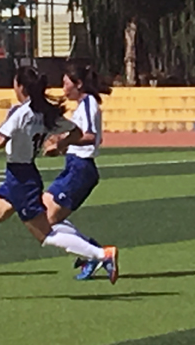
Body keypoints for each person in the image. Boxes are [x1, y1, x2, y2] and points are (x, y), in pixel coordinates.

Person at [0, 66, 119, 294]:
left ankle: (101, 254)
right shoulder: (47, 112)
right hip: (19, 176)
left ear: (21, 87)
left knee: (46, 235)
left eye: (15, 84)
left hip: (21, 179)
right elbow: (76, 132)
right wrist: (62, 143)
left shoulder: (22, 112)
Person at [45, 64, 112, 280]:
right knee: (41, 213)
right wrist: (58, 142)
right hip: (73, 167)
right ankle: (94, 252)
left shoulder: (89, 104)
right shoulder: (82, 106)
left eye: (66, 83)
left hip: (81, 169)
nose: (63, 88)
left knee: (47, 219)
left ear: (79, 84)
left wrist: (62, 144)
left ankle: (95, 254)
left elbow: (91, 137)